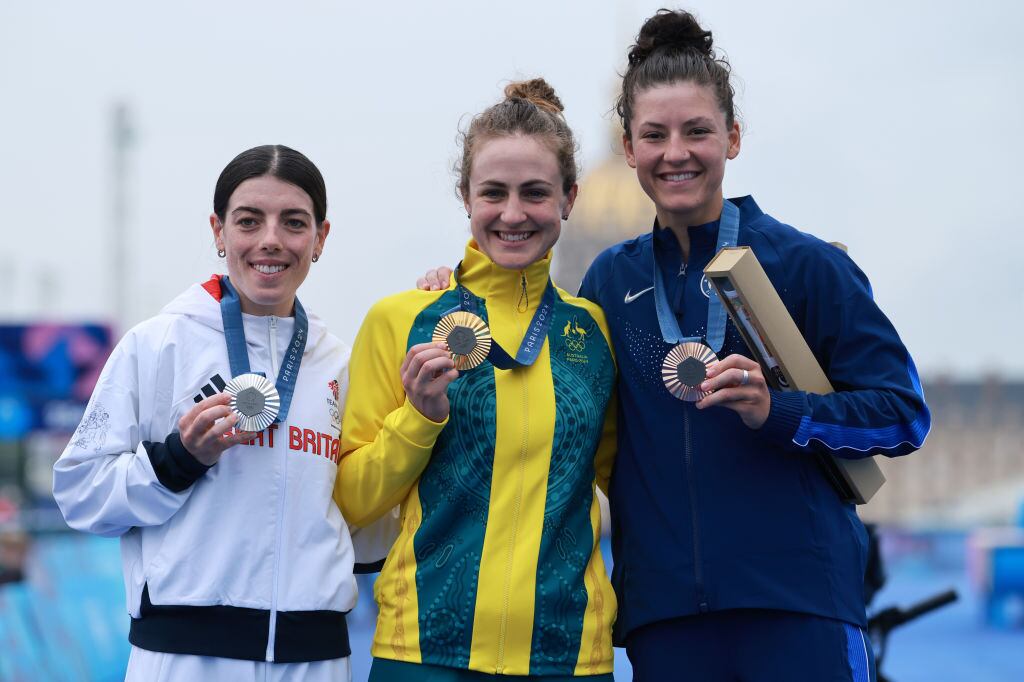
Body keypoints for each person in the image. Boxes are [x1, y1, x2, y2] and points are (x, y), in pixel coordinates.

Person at [422, 10, 930, 681]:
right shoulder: (611, 279)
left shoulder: (805, 266)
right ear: (629, 149)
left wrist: (775, 410)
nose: (676, 152)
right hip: (666, 620)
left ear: (733, 137)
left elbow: (903, 414)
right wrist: (456, 294)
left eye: (697, 131)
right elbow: (539, 386)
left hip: (797, 605)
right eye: (654, 135)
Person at [53, 145, 391, 682]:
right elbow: (79, 494)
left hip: (316, 659)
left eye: (294, 222)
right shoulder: (157, 345)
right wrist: (178, 460)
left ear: (321, 238)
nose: (271, 241)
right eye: (249, 221)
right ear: (218, 232)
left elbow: (367, 520)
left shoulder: (341, 363)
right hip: (187, 656)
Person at [335, 79, 618, 681]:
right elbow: (352, 502)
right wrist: (418, 418)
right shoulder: (402, 319)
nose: (513, 214)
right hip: (423, 651)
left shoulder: (593, 332)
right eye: (494, 193)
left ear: (569, 198)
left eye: (535, 193)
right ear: (465, 196)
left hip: (568, 655)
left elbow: (635, 486)